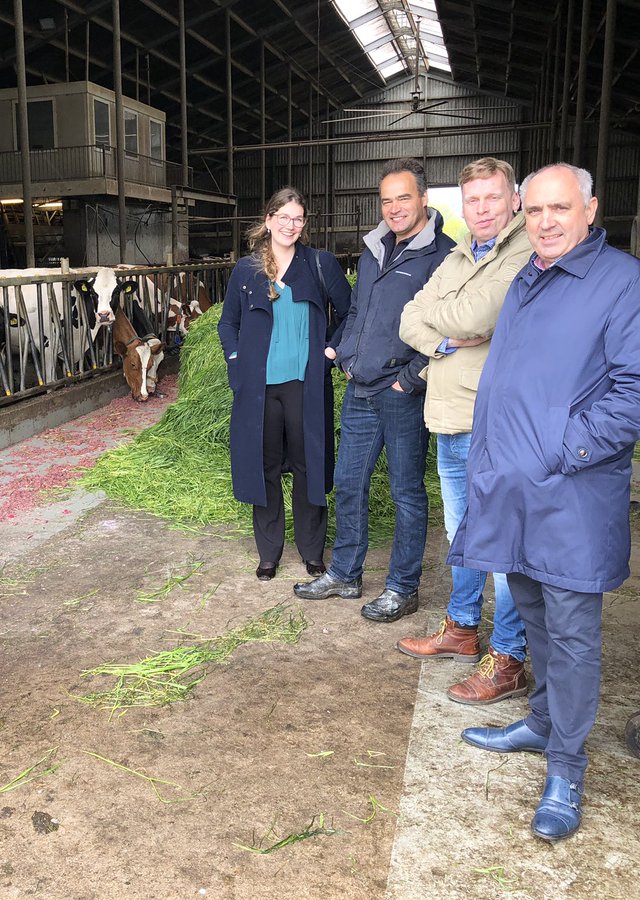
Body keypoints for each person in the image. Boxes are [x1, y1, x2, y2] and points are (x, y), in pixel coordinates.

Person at [452, 163, 640, 841]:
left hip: (570, 492)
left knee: (574, 634)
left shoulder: (624, 283)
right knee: (536, 618)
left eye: (561, 207)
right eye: (538, 209)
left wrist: (566, 446)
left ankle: (567, 768)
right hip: (516, 489)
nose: (547, 221)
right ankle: (542, 722)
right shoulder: (528, 276)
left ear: (590, 209)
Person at [395, 157, 531, 704]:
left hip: (492, 419)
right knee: (463, 536)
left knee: (502, 542)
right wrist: (446, 338)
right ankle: (462, 629)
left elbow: (479, 315)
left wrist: (448, 318)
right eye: (472, 200)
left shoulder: (522, 251)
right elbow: (409, 316)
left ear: (513, 199)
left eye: (492, 198)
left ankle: (510, 655)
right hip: (449, 415)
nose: (481, 209)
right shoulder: (456, 255)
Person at [294, 158, 454, 621]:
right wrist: (343, 354)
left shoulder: (442, 256)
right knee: (348, 483)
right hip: (361, 388)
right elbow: (359, 311)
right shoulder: (372, 251)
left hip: (402, 391)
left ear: (424, 198)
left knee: (406, 492)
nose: (395, 208)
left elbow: (447, 328)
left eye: (404, 197)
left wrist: (413, 377)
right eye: (387, 200)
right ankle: (345, 573)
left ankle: (403, 588)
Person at [219, 187, 351, 581]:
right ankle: (269, 554)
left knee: (309, 465)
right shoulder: (247, 269)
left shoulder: (320, 265)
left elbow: (351, 312)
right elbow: (229, 322)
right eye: (283, 217)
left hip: (304, 384)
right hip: (259, 387)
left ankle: (312, 551)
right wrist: (236, 358)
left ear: (303, 224)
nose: (290, 225)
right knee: (266, 467)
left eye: (298, 219)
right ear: (269, 220)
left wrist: (331, 352)